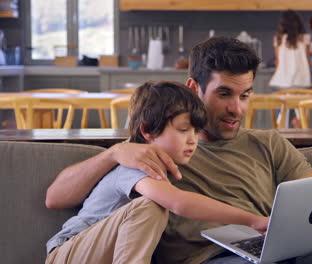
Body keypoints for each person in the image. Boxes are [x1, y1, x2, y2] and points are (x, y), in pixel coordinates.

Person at [46, 37, 312, 264]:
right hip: (216, 258)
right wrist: (113, 153)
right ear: (194, 88)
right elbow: (58, 195)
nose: (237, 109)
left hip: (288, 253)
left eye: (245, 95)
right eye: (224, 94)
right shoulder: (155, 149)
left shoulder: (269, 143)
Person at [45, 81, 268, 263]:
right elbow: (180, 202)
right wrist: (252, 220)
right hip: (68, 253)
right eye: (183, 130)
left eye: (196, 131)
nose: (193, 140)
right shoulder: (135, 165)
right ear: (148, 131)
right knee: (151, 207)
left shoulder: (166, 168)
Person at [269, 10, 312, 128]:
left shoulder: (278, 38)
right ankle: (300, 139)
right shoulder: (305, 38)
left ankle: (282, 137)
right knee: (300, 114)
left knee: (282, 115)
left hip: (281, 81)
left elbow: (278, 61)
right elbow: (307, 61)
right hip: (301, 81)